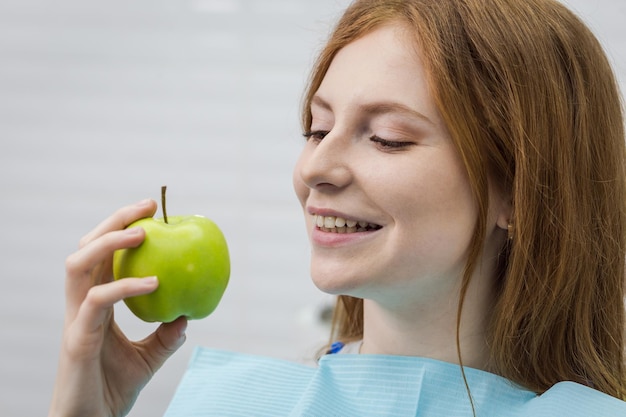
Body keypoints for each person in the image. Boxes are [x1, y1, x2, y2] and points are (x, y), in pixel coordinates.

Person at [48, 0, 626, 416]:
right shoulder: (230, 404)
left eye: (388, 137)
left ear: (519, 192)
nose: (314, 169)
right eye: (317, 128)